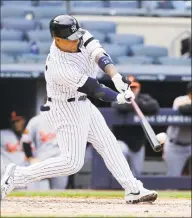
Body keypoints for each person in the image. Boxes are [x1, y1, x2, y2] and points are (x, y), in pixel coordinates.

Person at [1, 15, 157, 204]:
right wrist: (119, 97)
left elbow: (100, 55)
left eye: (77, 36)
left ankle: (133, 189)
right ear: (57, 39)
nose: (76, 41)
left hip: (83, 104)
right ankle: (17, 175)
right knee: (72, 163)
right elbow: (95, 89)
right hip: (65, 108)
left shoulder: (80, 35)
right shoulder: (59, 67)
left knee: (109, 144)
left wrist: (115, 76)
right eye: (70, 39)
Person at [112, 77, 160, 176]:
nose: (132, 89)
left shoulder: (144, 98)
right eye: (129, 87)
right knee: (121, 166)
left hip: (138, 143)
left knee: (137, 174)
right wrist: (130, 102)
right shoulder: (119, 97)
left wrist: (137, 102)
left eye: (134, 87)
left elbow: (154, 106)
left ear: (138, 88)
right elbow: (118, 106)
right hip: (121, 141)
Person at [21, 113, 68, 189]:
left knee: (59, 193)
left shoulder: (66, 120)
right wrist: (30, 157)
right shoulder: (36, 120)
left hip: (60, 160)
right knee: (34, 192)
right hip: (41, 160)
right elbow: (25, 140)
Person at [163, 82, 192, 176]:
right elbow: (184, 109)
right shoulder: (180, 100)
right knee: (173, 178)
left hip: (190, 145)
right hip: (176, 146)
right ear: (189, 94)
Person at [1, 110, 26, 176]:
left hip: (25, 174)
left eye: (18, 121)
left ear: (23, 120)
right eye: (13, 122)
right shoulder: (3, 134)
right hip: (7, 174)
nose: (15, 124)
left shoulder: (30, 135)